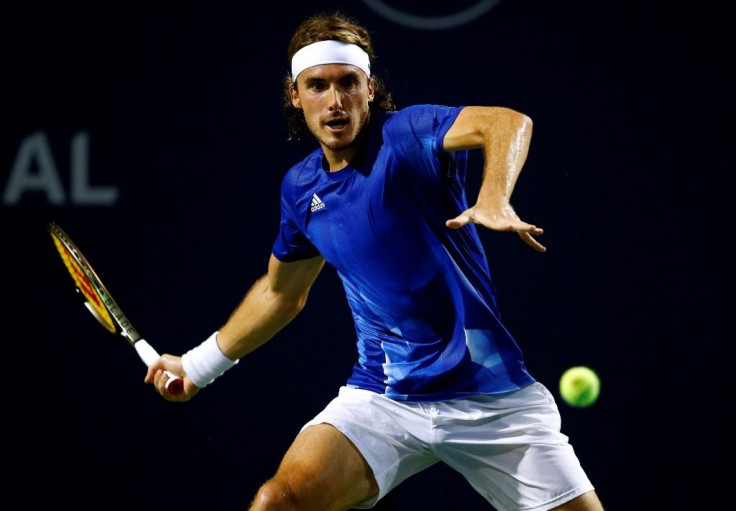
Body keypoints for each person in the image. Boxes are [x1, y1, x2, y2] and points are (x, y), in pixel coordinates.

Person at [145, 10, 605, 511]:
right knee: (279, 501)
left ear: (369, 90)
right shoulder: (301, 190)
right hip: (384, 398)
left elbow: (506, 122)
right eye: (317, 86)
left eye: (348, 83)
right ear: (295, 96)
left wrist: (494, 195)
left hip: (489, 397)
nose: (335, 101)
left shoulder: (407, 134)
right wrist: (197, 366)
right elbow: (280, 293)